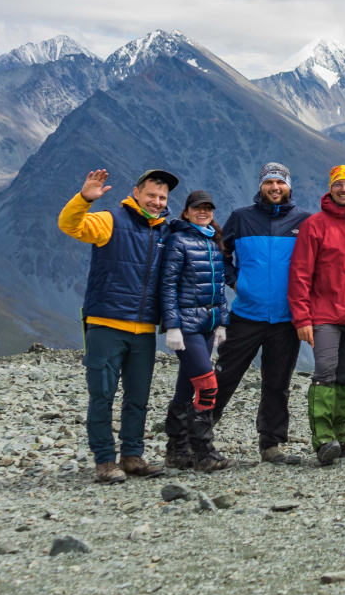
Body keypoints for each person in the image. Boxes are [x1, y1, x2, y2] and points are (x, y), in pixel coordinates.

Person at [58, 167, 177, 484]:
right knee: (103, 396)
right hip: (106, 326)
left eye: (162, 197)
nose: (156, 201)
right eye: (151, 194)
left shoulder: (165, 232)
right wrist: (84, 199)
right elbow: (70, 225)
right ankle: (104, 462)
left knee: (137, 398)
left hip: (144, 331)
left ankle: (132, 456)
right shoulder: (110, 220)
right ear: (136, 193)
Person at [214, 163, 309, 466]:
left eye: (280, 182)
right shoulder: (241, 218)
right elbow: (221, 253)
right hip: (246, 315)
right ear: (261, 186)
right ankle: (196, 437)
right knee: (225, 377)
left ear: (289, 186)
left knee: (277, 383)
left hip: (285, 318)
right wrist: (234, 281)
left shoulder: (303, 222)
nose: (274, 187)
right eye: (269, 182)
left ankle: (271, 445)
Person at [287, 165, 345, 466]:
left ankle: (341, 434)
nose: (344, 189)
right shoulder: (315, 225)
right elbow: (300, 273)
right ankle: (323, 439)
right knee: (325, 373)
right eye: (338, 184)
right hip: (325, 315)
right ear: (330, 188)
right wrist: (302, 318)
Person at [157, 190, 233, 471]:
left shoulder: (213, 241)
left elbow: (219, 287)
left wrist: (222, 321)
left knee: (185, 387)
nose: (203, 212)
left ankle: (177, 450)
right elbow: (167, 286)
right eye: (197, 208)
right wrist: (172, 326)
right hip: (187, 326)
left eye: (208, 208)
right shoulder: (178, 241)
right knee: (208, 385)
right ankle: (204, 452)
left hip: (208, 325)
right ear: (186, 211)